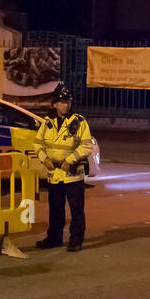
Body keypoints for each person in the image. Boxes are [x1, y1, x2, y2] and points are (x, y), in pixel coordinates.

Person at [34, 84, 92, 251]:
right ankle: (54, 238)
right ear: (54, 104)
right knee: (55, 209)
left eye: (68, 102)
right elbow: (37, 144)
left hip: (72, 173)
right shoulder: (47, 122)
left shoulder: (79, 121)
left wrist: (71, 159)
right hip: (55, 173)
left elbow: (86, 146)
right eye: (62, 102)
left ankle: (76, 240)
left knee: (76, 210)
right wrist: (45, 159)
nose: (66, 105)